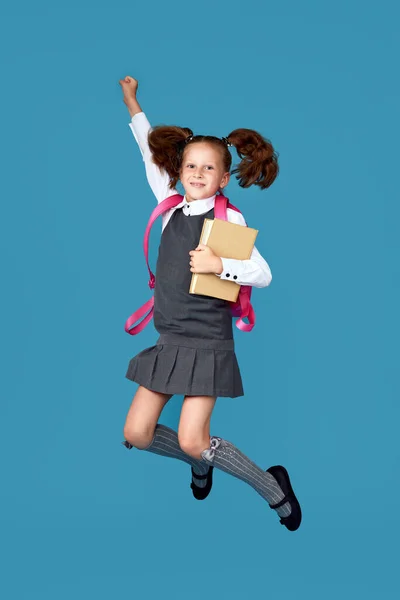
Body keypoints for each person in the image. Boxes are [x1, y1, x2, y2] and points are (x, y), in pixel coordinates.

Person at [118, 75, 302, 531]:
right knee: (136, 434)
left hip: (207, 342)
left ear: (223, 177)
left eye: (207, 169)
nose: (196, 174)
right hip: (169, 339)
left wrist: (221, 263)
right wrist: (132, 102)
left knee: (192, 437)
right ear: (179, 171)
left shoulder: (229, 217)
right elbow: (147, 149)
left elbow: (263, 274)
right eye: (190, 166)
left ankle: (273, 487)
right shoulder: (169, 204)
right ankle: (198, 461)